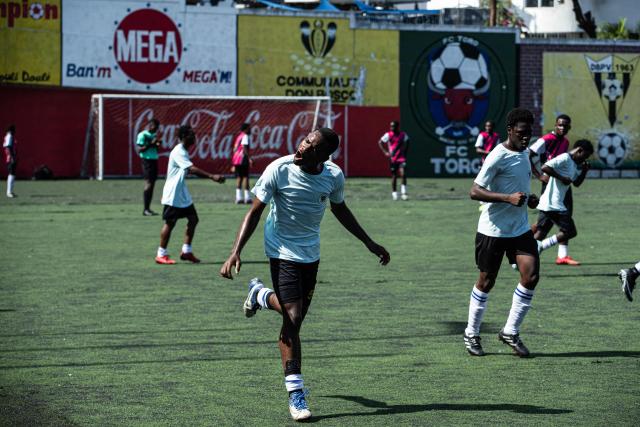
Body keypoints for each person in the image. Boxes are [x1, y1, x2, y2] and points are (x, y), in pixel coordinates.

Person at [220, 128, 390, 421]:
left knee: (295, 318)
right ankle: (295, 393)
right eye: (305, 140)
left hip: (310, 254)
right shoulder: (279, 169)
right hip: (280, 249)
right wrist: (236, 250)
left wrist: (369, 242)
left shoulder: (333, 176)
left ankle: (260, 295)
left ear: (323, 155)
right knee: (293, 319)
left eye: (312, 145)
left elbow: (340, 209)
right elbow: (255, 211)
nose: (303, 145)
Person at [464, 108, 540, 358]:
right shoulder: (497, 155)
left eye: (529, 132)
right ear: (510, 130)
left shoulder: (526, 153)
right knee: (487, 282)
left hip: (519, 229)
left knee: (530, 276)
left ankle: (510, 331)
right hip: (492, 231)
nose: (526, 136)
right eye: (521, 132)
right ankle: (471, 333)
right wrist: (507, 198)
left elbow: (518, 186)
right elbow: (474, 191)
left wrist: (528, 199)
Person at [155, 125, 225, 265]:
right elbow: (191, 169)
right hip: (173, 193)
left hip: (182, 193)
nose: (194, 137)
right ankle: (161, 254)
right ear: (184, 137)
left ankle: (186, 251)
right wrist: (212, 176)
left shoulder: (184, 151)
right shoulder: (178, 151)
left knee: (193, 219)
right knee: (170, 222)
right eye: (191, 135)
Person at [534, 140, 593, 266]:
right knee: (570, 232)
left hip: (550, 203)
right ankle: (541, 246)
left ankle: (519, 257)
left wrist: (584, 171)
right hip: (554, 204)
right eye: (585, 156)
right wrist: (561, 178)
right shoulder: (565, 158)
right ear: (579, 150)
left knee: (541, 232)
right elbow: (545, 167)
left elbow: (576, 183)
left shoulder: (575, 164)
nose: (584, 159)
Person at [529, 114, 573, 260]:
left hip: (563, 185)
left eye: (566, 126)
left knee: (565, 217)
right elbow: (527, 154)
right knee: (544, 221)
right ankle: (523, 247)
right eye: (560, 125)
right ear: (555, 125)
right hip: (549, 184)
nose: (563, 128)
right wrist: (539, 175)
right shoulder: (546, 139)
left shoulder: (565, 142)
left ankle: (563, 255)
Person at [378, 120, 410, 201]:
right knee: (394, 176)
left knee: (403, 174)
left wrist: (405, 152)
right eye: (391, 126)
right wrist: (385, 152)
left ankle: (404, 193)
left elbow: (408, 141)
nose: (391, 128)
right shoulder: (388, 135)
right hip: (393, 158)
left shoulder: (403, 135)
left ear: (397, 127)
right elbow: (380, 142)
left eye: (393, 126)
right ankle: (394, 193)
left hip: (401, 158)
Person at [137, 118, 161, 216]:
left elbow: (156, 147)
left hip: (154, 160)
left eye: (157, 128)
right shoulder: (143, 135)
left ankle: (148, 208)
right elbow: (140, 149)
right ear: (150, 126)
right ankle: (145, 209)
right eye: (155, 127)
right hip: (147, 161)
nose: (156, 129)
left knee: (152, 184)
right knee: (149, 183)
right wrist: (151, 144)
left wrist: (157, 144)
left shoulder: (154, 135)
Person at [231, 123, 252, 204]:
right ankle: (247, 198)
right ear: (245, 129)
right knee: (246, 177)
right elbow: (244, 147)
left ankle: (239, 198)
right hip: (242, 158)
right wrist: (249, 158)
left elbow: (234, 149)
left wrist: (233, 163)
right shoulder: (245, 136)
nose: (250, 130)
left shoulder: (239, 136)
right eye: (249, 128)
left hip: (236, 159)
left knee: (239, 177)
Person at [3, 124, 17, 198]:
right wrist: (11, 157)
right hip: (10, 158)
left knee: (12, 174)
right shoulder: (9, 136)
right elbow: (8, 147)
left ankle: (10, 191)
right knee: (11, 174)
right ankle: (9, 192)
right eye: (14, 130)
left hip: (10, 157)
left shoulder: (7, 136)